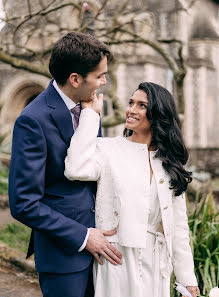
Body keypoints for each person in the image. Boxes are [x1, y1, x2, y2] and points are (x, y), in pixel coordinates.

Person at [8, 31, 122, 297]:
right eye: (99, 76)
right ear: (75, 79)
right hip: (64, 259)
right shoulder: (32, 120)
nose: (104, 82)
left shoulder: (90, 107)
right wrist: (83, 236)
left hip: (103, 252)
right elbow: (24, 203)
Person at [64, 82, 201, 297]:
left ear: (158, 113)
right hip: (116, 259)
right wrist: (90, 115)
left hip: (157, 264)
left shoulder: (169, 164)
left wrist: (187, 280)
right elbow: (75, 168)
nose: (131, 110)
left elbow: (178, 228)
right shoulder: (108, 149)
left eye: (141, 105)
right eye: (131, 103)